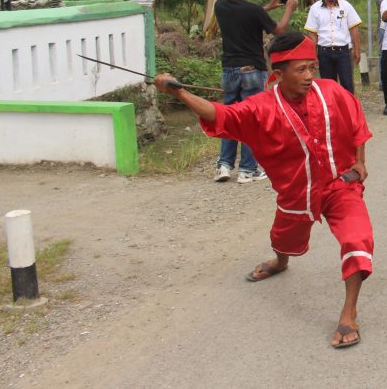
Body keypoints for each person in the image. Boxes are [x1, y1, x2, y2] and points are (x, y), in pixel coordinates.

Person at [154, 31, 373, 348]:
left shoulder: (332, 91)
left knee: (358, 238)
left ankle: (349, 313)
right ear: (278, 74)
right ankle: (281, 262)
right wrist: (181, 95)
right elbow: (221, 114)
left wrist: (360, 162)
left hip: (341, 186)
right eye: (301, 70)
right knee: (283, 237)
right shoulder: (260, 107)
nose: (310, 76)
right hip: (297, 192)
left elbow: (356, 122)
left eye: (313, 67)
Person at [213, 0, 297, 183]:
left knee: (229, 118)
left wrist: (267, 7)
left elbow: (245, 13)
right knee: (252, 119)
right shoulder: (253, 11)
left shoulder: (220, 5)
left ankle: (224, 165)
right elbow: (278, 31)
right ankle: (247, 169)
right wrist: (288, 9)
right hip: (252, 70)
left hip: (229, 70)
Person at [304, 0, 362, 94]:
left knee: (347, 84)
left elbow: (353, 29)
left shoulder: (345, 6)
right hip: (324, 52)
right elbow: (312, 34)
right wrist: (313, 55)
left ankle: (349, 110)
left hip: (343, 52)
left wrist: (357, 50)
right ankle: (332, 111)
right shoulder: (315, 9)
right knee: (328, 86)